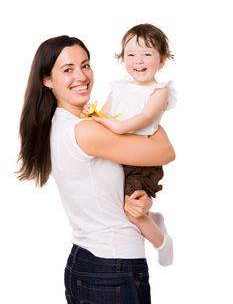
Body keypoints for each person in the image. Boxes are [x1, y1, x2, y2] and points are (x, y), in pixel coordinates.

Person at [17, 35, 175, 304]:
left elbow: (106, 185)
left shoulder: (65, 122)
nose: (81, 76)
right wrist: (150, 113)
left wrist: (142, 200)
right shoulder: (85, 130)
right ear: (47, 80)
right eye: (67, 70)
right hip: (111, 269)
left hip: (93, 263)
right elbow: (165, 151)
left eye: (85, 65)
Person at [82, 23, 176, 266]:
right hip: (118, 156)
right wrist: (92, 115)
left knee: (131, 209)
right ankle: (153, 217)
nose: (138, 61)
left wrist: (114, 127)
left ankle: (162, 242)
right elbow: (104, 113)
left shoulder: (159, 91)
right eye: (131, 54)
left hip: (142, 162)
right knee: (111, 203)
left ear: (162, 60)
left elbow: (142, 119)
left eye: (147, 54)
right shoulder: (119, 86)